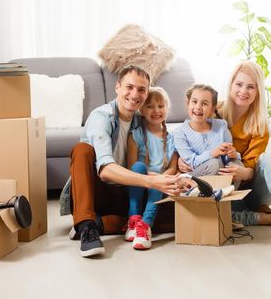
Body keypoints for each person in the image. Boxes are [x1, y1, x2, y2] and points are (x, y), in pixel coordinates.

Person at [64, 65, 183, 258]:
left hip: (129, 194)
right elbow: (104, 170)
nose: (135, 94)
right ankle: (87, 225)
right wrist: (152, 181)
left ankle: (103, 223)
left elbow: (165, 141)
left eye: (142, 90)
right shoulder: (101, 117)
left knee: (180, 216)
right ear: (118, 87)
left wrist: (180, 167)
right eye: (129, 87)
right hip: (97, 192)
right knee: (82, 150)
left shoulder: (142, 119)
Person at [179, 61, 271, 244]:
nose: (243, 91)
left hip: (250, 188)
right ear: (231, 85)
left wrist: (244, 172)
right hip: (222, 187)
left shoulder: (260, 125)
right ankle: (262, 218)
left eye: (250, 87)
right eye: (239, 84)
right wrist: (179, 159)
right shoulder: (213, 109)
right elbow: (189, 133)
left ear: (258, 91)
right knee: (216, 212)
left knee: (269, 158)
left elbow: (253, 167)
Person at [124, 87, 178, 250]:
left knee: (158, 183)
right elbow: (131, 167)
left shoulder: (172, 138)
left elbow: (173, 167)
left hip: (159, 182)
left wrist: (159, 178)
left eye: (160, 106)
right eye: (150, 106)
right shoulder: (137, 134)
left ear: (167, 109)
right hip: (139, 179)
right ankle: (133, 220)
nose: (156, 110)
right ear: (141, 109)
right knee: (139, 166)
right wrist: (149, 177)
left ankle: (145, 226)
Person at [173, 84, 242, 178]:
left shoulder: (221, 126)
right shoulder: (180, 132)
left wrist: (233, 154)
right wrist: (213, 153)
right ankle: (211, 191)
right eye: (194, 102)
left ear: (212, 109)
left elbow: (229, 156)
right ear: (188, 103)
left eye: (204, 103)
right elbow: (191, 162)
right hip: (196, 177)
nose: (198, 107)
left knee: (236, 165)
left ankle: (227, 191)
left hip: (220, 174)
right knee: (214, 164)